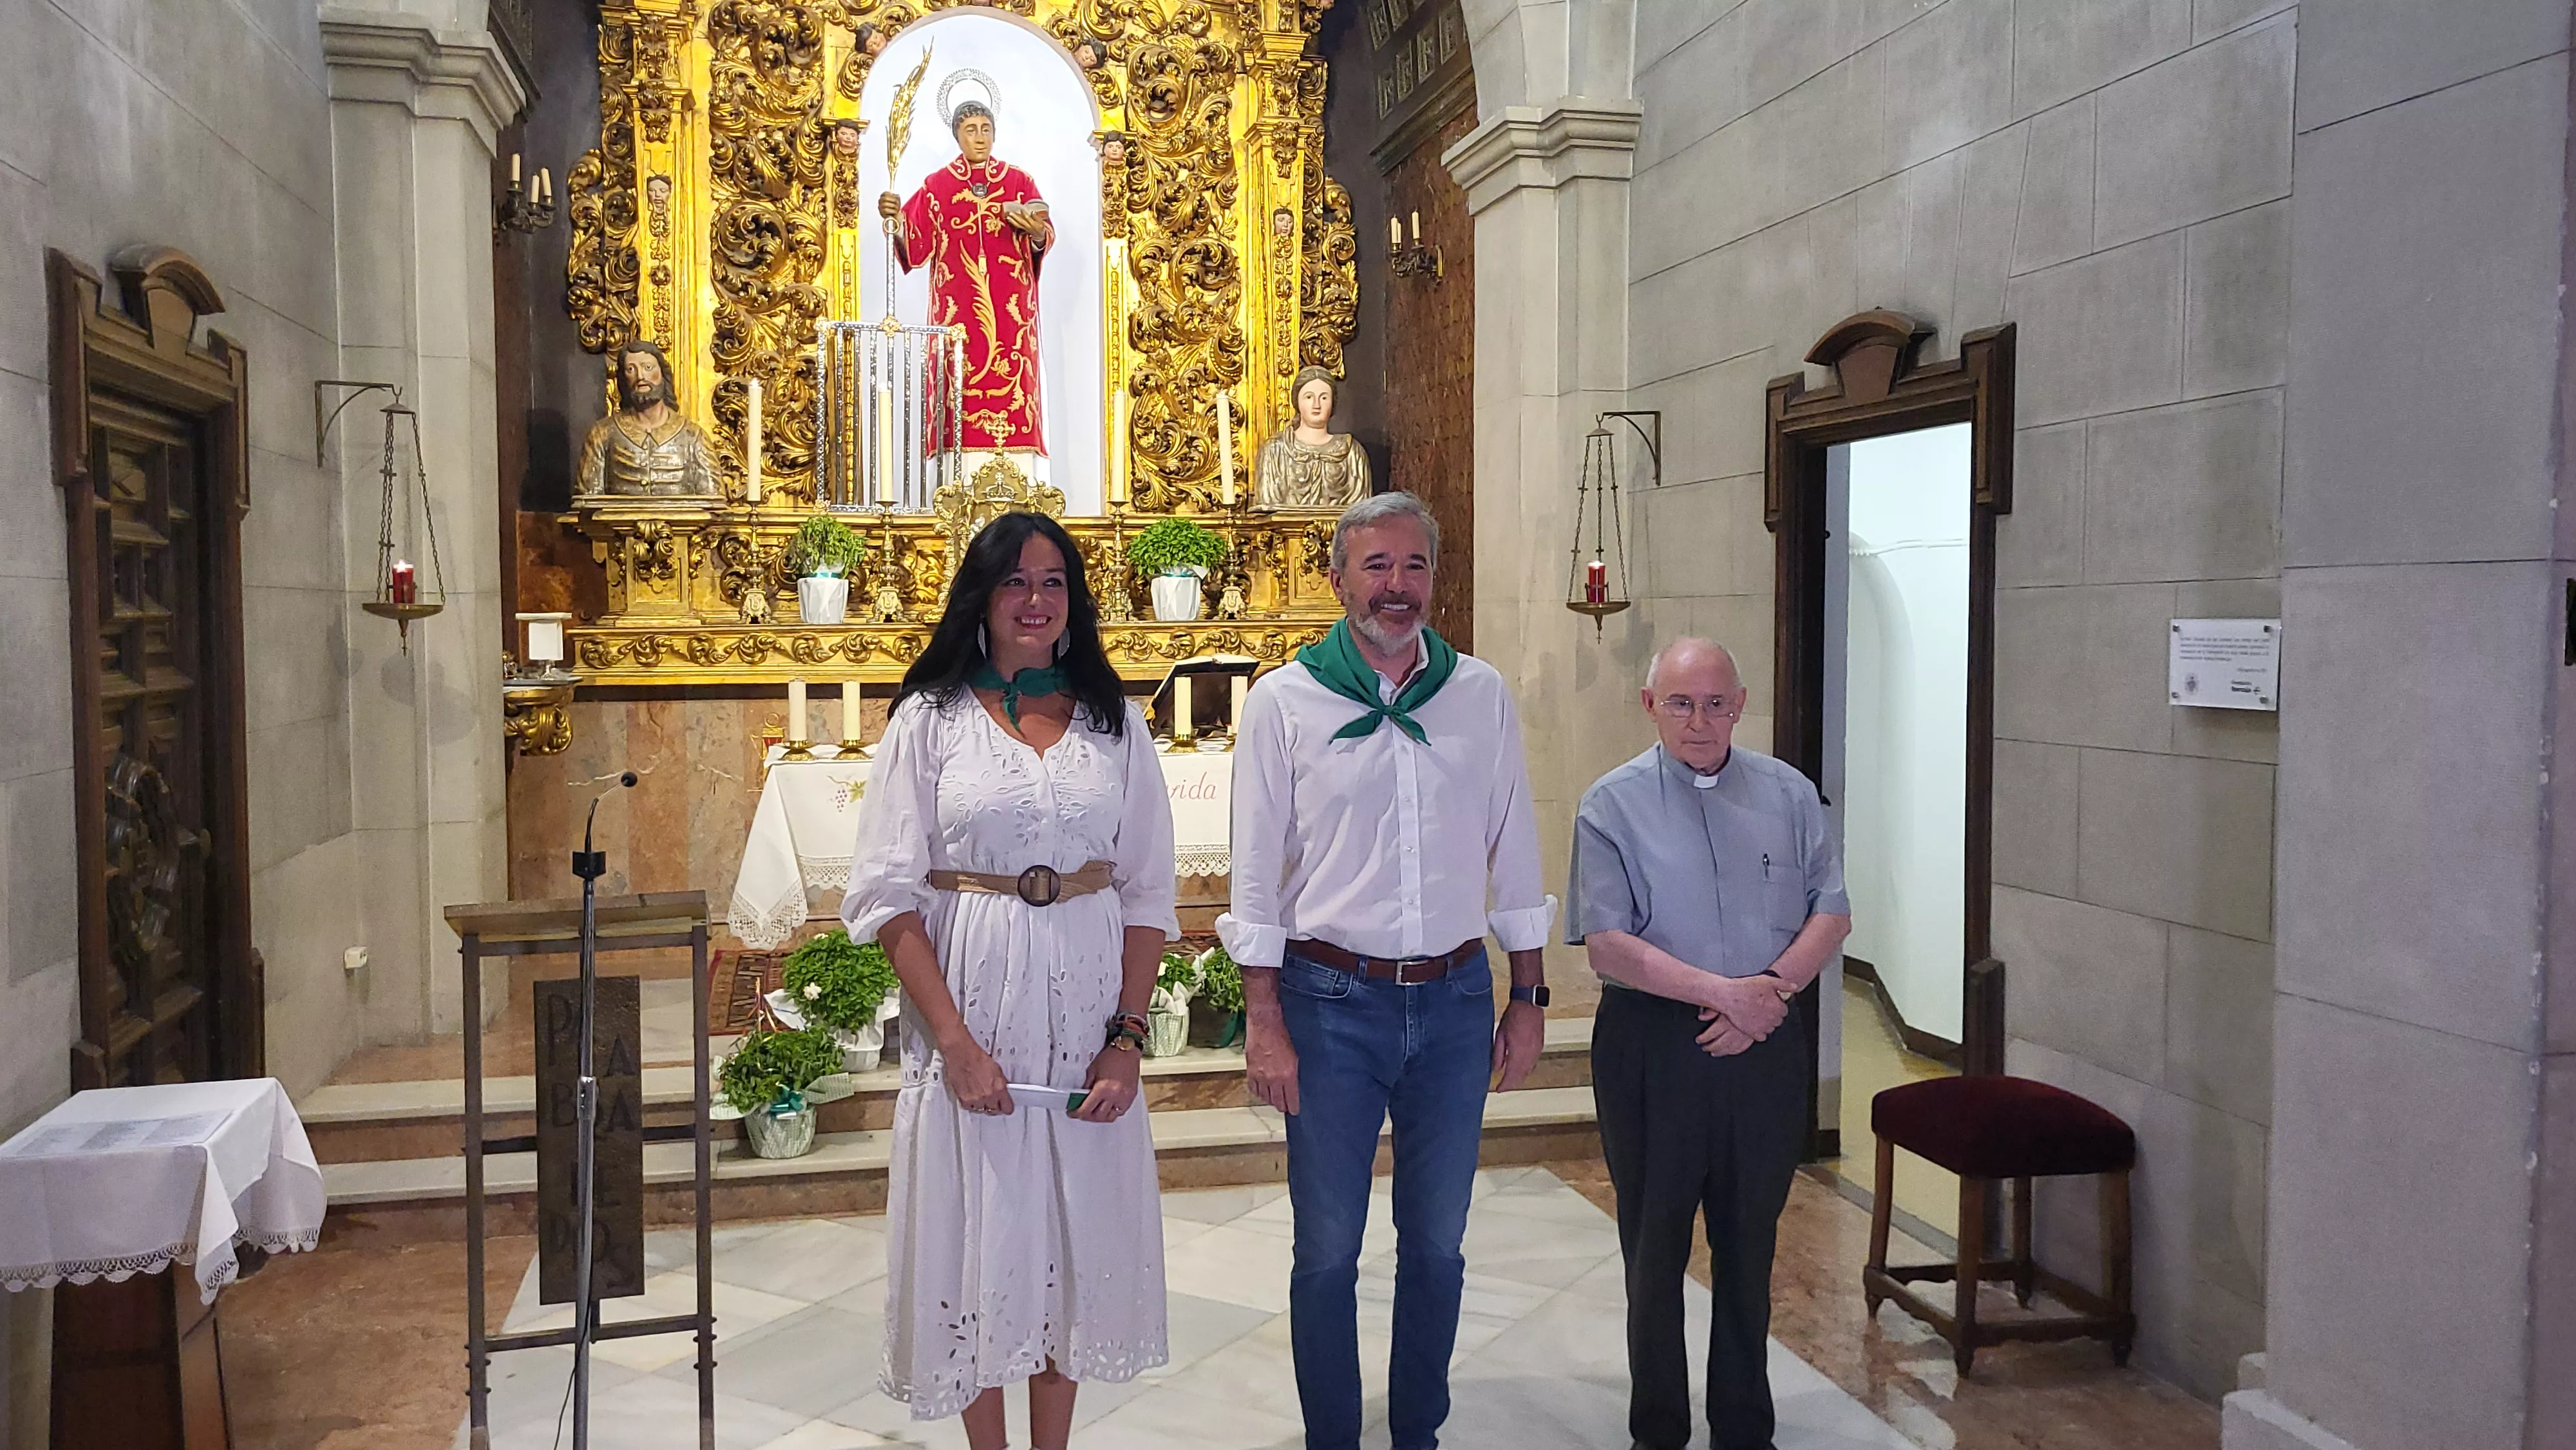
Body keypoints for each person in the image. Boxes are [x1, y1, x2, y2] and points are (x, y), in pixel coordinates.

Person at [1218, 491, 1557, 1450]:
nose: (1396, 587)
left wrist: (1527, 996)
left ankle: (1420, 1434)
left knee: (1438, 1245)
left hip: (1452, 1000)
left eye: (1414, 567)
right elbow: (1254, 874)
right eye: (1376, 567)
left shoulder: (1479, 694)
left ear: (1434, 580)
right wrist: (1265, 1018)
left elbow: (1516, 847)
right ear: (1337, 581)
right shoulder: (1285, 701)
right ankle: (1335, 1437)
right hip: (1329, 1003)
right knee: (1327, 1250)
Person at [841, 510, 1177, 1450]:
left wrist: (1127, 1039)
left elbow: (1149, 893)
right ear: (981, 602)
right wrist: (951, 1041)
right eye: (1016, 583)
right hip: (974, 1016)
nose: (1035, 601)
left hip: (1082, 1023)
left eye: (1053, 582)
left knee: (1070, 1243)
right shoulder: (931, 720)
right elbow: (887, 895)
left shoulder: (1115, 724)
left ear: (1073, 602)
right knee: (979, 1234)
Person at [1566, 637, 1852, 1450]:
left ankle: (1743, 1425)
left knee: (1750, 1238)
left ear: (1742, 701)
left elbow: (1830, 909)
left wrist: (1773, 991)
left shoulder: (1790, 795)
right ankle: (1658, 1426)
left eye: (1717, 702)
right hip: (1653, 1040)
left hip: (1763, 1037)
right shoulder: (1610, 802)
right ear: (1651, 704)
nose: (1701, 719)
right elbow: (1607, 944)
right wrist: (1721, 993)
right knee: (1655, 1246)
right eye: (1682, 702)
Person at [879, 100, 1052, 453]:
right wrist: (894, 220)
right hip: (958, 318)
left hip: (1011, 316)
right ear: (957, 135)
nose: (980, 138)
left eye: (986, 130)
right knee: (956, 379)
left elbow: (1044, 233)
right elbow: (915, 244)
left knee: (1014, 373)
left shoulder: (1019, 182)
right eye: (971, 130)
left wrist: (1035, 231)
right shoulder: (937, 186)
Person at [574, 337, 716, 497]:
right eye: (630, 369)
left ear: (663, 373)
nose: (640, 376)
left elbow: (712, 500)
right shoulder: (603, 433)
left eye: (648, 368)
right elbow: (588, 500)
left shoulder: (693, 436)